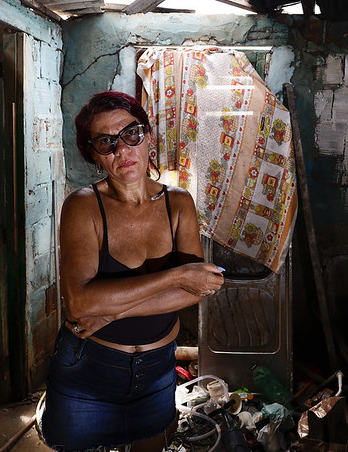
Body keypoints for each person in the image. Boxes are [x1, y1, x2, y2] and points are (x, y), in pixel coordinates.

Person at [42, 91, 225, 452]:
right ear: (93, 154)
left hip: (158, 369)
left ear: (148, 137)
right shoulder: (83, 206)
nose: (122, 151)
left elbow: (197, 288)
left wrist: (112, 309)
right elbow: (79, 305)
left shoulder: (178, 203)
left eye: (131, 134)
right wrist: (176, 275)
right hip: (90, 368)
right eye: (106, 143)